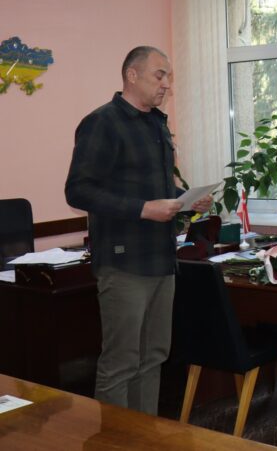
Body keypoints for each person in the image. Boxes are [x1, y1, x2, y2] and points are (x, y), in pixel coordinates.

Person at [65, 46, 212, 414]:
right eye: (159, 75)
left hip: (162, 259)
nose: (166, 84)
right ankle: (116, 438)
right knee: (121, 363)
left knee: (154, 357)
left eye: (168, 77)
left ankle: (145, 435)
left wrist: (185, 200)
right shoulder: (102, 122)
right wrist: (144, 209)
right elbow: (78, 190)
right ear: (132, 75)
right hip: (124, 262)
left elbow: (153, 189)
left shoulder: (156, 124)